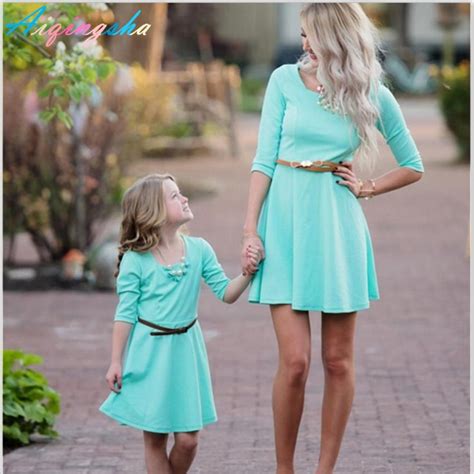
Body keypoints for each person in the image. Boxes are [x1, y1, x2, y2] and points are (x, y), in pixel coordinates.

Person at [240, 4, 424, 474]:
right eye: (301, 35)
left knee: (338, 361)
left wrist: (368, 187)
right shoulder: (283, 81)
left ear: (336, 37)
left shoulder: (372, 93)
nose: (303, 45)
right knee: (296, 362)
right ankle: (285, 469)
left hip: (337, 226)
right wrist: (249, 228)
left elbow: (412, 163)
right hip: (283, 224)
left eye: (311, 36)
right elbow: (263, 159)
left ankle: (324, 470)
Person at [99, 173, 261, 474]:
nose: (184, 198)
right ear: (154, 211)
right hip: (149, 354)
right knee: (156, 439)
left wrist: (248, 272)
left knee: (188, 441)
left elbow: (226, 293)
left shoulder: (199, 249)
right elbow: (125, 314)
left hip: (187, 352)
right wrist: (115, 361)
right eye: (174, 196)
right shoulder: (136, 259)